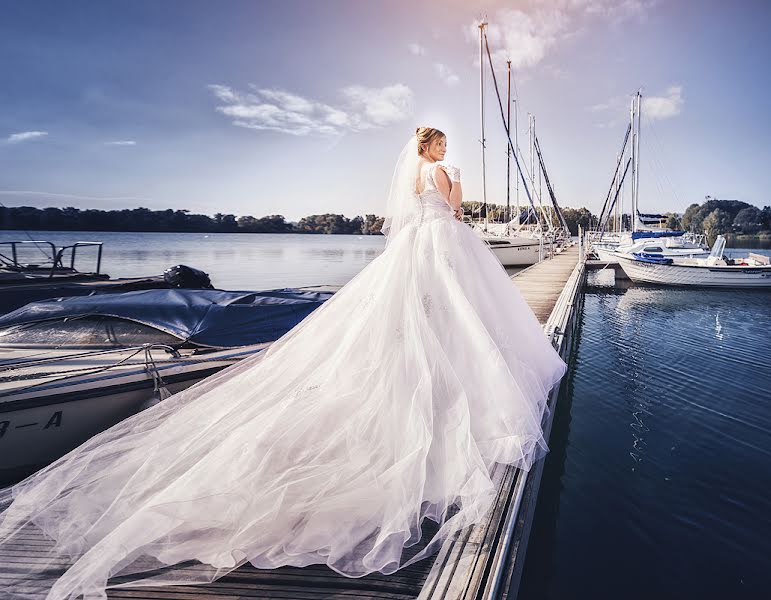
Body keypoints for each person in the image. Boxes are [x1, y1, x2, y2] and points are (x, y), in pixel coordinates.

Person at [0, 127, 568, 599]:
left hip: (416, 249)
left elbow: (419, 212)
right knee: (458, 307)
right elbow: (456, 211)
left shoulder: (409, 179)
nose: (445, 153)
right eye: (441, 146)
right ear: (430, 149)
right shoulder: (443, 175)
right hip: (444, 242)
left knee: (421, 311)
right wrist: (460, 183)